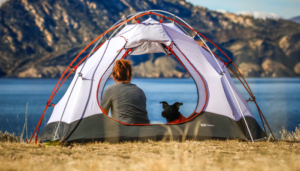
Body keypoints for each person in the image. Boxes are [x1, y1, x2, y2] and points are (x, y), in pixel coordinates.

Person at [101, 59, 150, 124]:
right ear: (130, 77)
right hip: (145, 130)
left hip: (123, 131)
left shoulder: (110, 90)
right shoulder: (140, 91)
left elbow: (103, 116)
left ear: (114, 77)